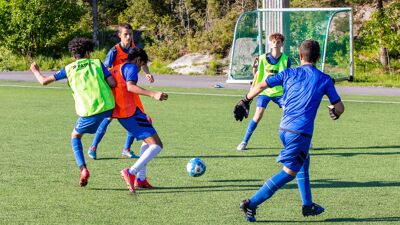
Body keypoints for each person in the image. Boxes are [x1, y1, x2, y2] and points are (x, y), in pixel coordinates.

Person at [234, 39, 345, 222]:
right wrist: (335, 111)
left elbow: (261, 85)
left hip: (284, 128)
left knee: (304, 160)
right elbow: (339, 107)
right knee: (288, 173)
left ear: (300, 56)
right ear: (317, 57)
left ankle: (308, 205)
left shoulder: (289, 73)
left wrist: (245, 100)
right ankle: (251, 203)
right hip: (301, 133)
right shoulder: (324, 79)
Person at [30, 37, 116, 187]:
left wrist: (36, 71)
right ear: (88, 52)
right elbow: (113, 83)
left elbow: (43, 81)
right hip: (108, 107)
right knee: (107, 119)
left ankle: (83, 169)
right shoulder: (97, 63)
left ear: (72, 55)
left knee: (75, 136)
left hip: (88, 112)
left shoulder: (68, 69)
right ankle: (97, 147)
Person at [88, 23, 155, 160]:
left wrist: (147, 73)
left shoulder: (134, 48)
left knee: (135, 115)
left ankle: (126, 149)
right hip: (117, 91)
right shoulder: (114, 51)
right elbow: (105, 69)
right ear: (120, 35)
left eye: (130, 34)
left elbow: (142, 63)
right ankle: (93, 147)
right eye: (126, 34)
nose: (129, 37)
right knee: (108, 118)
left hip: (130, 90)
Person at [110, 48, 168, 191]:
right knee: (157, 145)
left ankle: (141, 179)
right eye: (141, 65)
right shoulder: (131, 67)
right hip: (130, 113)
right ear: (138, 60)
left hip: (123, 113)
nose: (140, 69)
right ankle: (131, 172)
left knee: (146, 142)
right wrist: (153, 93)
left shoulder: (116, 68)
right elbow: (130, 87)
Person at [237, 33, 291, 151]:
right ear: (269, 43)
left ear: (282, 44)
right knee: (258, 114)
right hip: (264, 91)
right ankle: (244, 141)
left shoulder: (286, 60)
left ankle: (300, 141)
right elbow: (257, 75)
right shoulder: (261, 58)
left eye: (278, 42)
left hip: (280, 93)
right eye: (274, 42)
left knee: (291, 113)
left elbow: (288, 78)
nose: (276, 44)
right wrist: (251, 93)